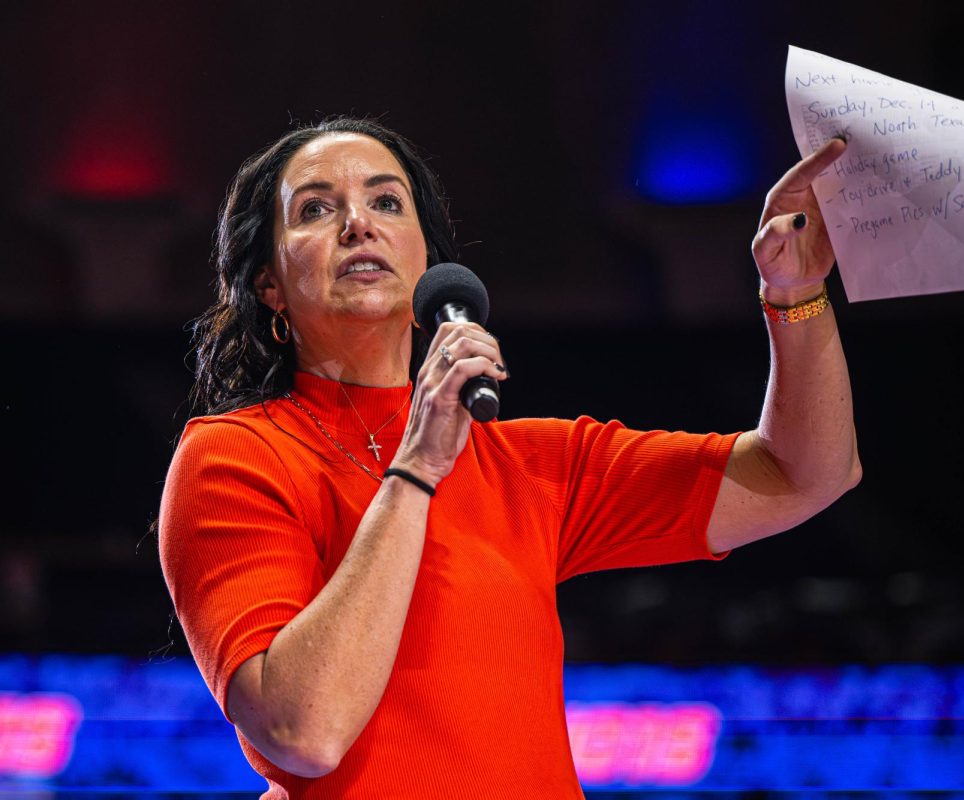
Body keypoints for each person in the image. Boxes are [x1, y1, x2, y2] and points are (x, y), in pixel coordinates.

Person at [158, 116, 860, 798]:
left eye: (386, 201)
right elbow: (302, 730)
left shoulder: (532, 465)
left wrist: (794, 294)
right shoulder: (234, 458)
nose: (358, 224)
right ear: (269, 287)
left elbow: (804, 473)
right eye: (315, 209)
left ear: (426, 262)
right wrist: (416, 470)